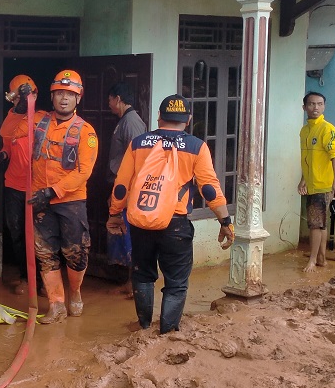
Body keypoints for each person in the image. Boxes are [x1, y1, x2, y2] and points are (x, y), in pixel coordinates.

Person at [107, 95, 235, 334]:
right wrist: (225, 221)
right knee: (176, 282)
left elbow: (121, 185)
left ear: (159, 117)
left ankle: (144, 326)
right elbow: (209, 188)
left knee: (142, 275)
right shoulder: (197, 146)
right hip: (175, 225)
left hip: (142, 222)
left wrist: (115, 213)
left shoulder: (139, 143)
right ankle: (167, 332)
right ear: (188, 119)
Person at [27, 69, 98, 323]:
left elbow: (84, 172)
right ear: (52, 96)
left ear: (78, 99)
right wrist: (19, 101)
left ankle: (75, 293)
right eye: (59, 94)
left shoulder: (86, 132)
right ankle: (56, 305)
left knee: (75, 253)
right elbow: (9, 131)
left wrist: (54, 191)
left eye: (70, 94)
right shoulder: (37, 121)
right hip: (40, 200)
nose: (64, 99)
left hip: (70, 201)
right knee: (46, 253)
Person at [0, 75, 46, 294]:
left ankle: (44, 282)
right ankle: (26, 277)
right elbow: (7, 139)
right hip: (14, 184)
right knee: (16, 232)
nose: (24, 101)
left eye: (29, 96)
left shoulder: (44, 119)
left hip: (39, 186)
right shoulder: (12, 119)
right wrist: (3, 155)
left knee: (41, 235)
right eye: (20, 98)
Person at [106, 82, 147, 287]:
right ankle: (128, 281)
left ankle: (134, 283)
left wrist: (129, 192)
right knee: (121, 234)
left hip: (128, 189)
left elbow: (140, 159)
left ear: (118, 99)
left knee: (129, 235)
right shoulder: (124, 121)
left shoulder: (132, 122)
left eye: (110, 99)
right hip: (120, 187)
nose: (109, 104)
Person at [298, 91, 335, 273]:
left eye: (319, 104)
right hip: (312, 184)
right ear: (304, 107)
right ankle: (322, 259)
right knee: (321, 222)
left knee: (315, 224)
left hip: (323, 184)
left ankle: (313, 260)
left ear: (324, 106)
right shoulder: (305, 131)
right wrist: (303, 180)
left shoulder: (327, 129)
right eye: (311, 104)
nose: (315, 107)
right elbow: (307, 159)